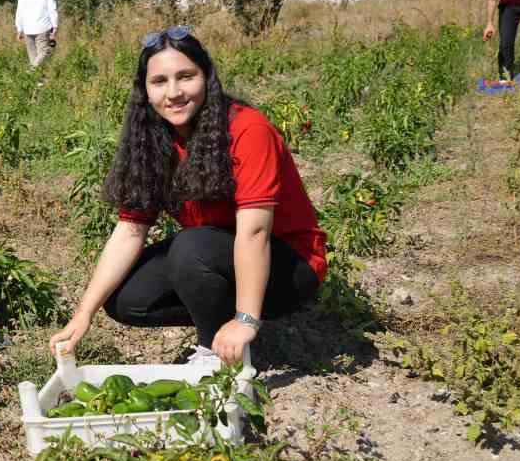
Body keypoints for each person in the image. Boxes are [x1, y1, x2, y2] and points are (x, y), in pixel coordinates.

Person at [50, 27, 326, 368]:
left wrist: (247, 320)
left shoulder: (247, 129)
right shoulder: (153, 138)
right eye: (160, 81)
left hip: (288, 268)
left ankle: (218, 349)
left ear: (207, 77)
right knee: (126, 298)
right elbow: (130, 231)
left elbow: (254, 233)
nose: (174, 93)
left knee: (190, 248)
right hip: (216, 252)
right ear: (145, 90)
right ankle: (220, 320)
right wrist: (83, 314)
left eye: (186, 77)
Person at [14, 0, 59, 71]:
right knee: (45, 52)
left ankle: (37, 84)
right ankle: (30, 72)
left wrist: (19, 29)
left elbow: (19, 10)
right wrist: (55, 25)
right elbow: (52, 9)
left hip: (27, 29)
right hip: (42, 27)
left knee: (34, 58)